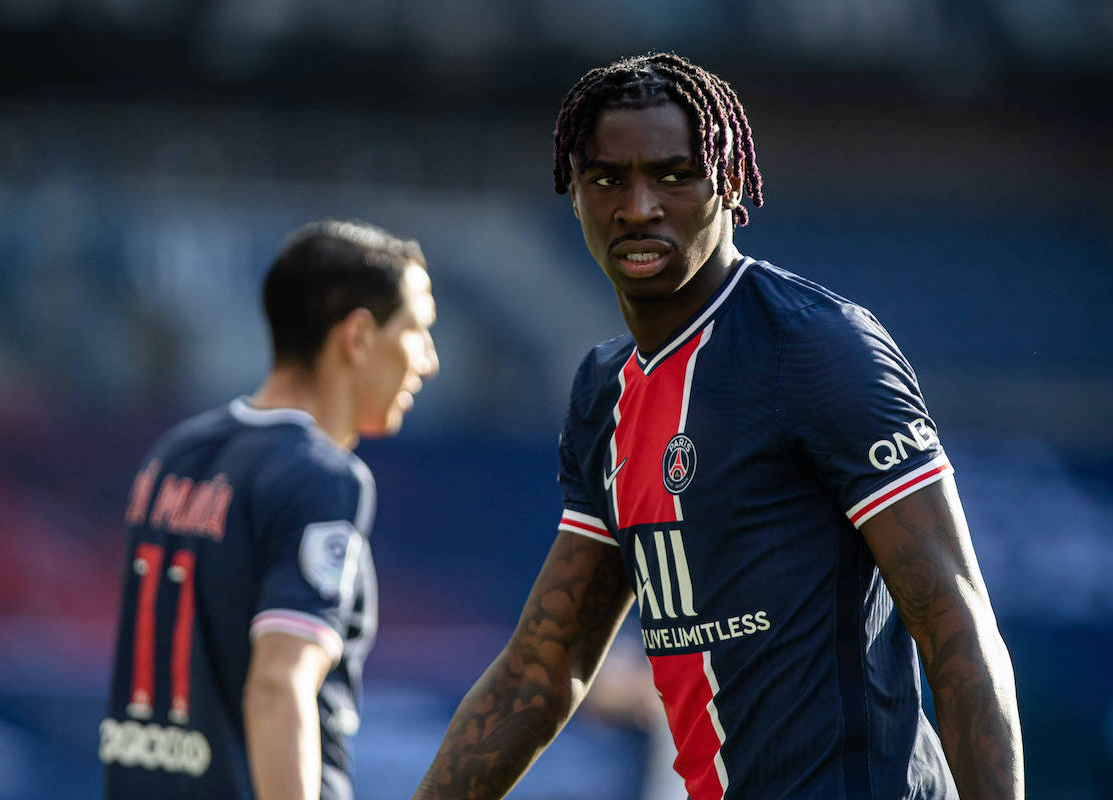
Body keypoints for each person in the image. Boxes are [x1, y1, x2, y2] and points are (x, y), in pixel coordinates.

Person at [413, 53, 1022, 799]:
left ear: (729, 183)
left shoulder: (820, 348)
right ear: (572, 194)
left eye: (674, 174)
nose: (638, 206)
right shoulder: (604, 392)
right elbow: (544, 670)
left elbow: (952, 618)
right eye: (607, 178)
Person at [100, 219, 439, 800]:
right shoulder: (323, 477)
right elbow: (280, 685)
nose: (428, 361)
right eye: (416, 331)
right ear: (357, 337)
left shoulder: (175, 453)